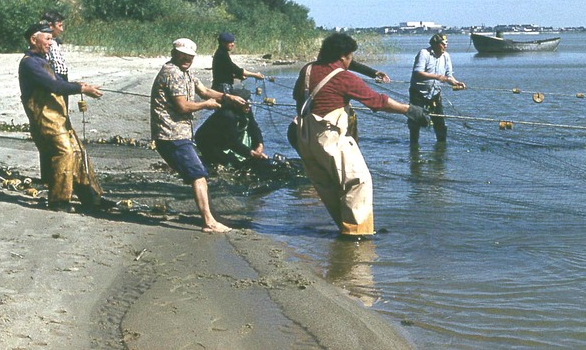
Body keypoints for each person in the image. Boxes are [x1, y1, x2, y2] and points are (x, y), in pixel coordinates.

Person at [292, 32, 429, 237]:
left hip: (304, 137)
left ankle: (345, 228)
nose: (351, 60)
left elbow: (298, 96)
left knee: (328, 186)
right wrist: (409, 110)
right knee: (358, 181)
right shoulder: (344, 78)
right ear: (342, 57)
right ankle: (357, 235)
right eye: (350, 57)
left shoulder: (308, 70)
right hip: (329, 139)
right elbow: (377, 101)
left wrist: (370, 72)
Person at [150, 38, 246, 233]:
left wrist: (229, 97)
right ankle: (209, 222)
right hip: (170, 135)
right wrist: (207, 105)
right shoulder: (172, 73)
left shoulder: (186, 72)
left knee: (198, 174)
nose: (187, 59)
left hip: (179, 134)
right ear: (174, 53)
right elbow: (183, 106)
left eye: (190, 57)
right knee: (199, 175)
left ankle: (209, 217)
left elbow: (203, 91)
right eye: (183, 55)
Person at [18, 22, 105, 212]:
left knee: (79, 152)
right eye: (48, 38)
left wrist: (76, 84)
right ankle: (59, 201)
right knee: (64, 153)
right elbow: (54, 87)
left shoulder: (42, 60)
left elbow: (58, 81)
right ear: (34, 39)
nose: (51, 42)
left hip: (58, 118)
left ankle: (92, 199)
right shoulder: (29, 63)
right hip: (44, 120)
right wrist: (82, 89)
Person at [408, 33, 466, 144]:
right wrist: (438, 77)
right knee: (414, 121)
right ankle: (414, 146)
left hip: (435, 93)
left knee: (439, 122)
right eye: (443, 44)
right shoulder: (424, 53)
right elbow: (418, 73)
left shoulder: (446, 56)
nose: (446, 46)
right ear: (436, 44)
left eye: (446, 43)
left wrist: (456, 82)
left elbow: (449, 75)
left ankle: (441, 148)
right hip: (418, 93)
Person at [194, 88, 269, 169]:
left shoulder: (246, 109)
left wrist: (259, 144)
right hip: (207, 141)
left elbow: (254, 127)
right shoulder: (228, 115)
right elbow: (232, 142)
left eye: (249, 105)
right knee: (229, 164)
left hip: (225, 138)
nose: (248, 108)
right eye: (245, 105)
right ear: (235, 104)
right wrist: (251, 153)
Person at [43, 10, 69, 81]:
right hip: (55, 77)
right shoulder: (45, 43)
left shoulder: (55, 41)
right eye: (59, 26)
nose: (61, 29)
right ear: (51, 26)